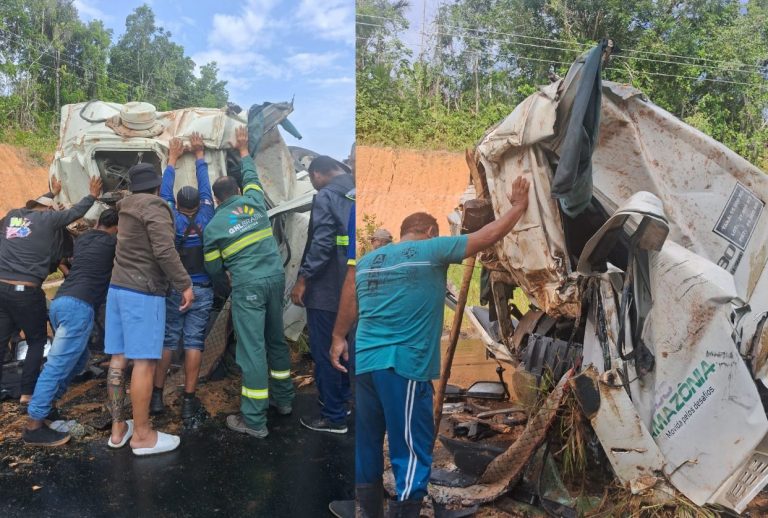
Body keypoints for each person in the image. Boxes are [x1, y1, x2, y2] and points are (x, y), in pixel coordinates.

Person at [349, 176, 530, 516]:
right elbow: (484, 238)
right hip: (401, 365)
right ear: (431, 231)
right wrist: (519, 207)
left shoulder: (368, 261)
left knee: (368, 441)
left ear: (402, 232)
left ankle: (369, 510)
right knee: (411, 449)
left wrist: (337, 341)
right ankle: (406, 510)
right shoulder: (431, 249)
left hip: (365, 362)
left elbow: (353, 305)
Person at [204, 126, 294, 439]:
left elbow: (213, 269)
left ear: (217, 200)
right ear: (238, 191)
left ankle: (254, 420)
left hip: (249, 288)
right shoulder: (255, 202)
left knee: (252, 351)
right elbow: (253, 176)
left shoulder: (214, 226)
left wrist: (228, 274)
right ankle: (284, 401)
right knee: (276, 341)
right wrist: (243, 150)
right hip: (275, 279)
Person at [105, 163, 193, 456]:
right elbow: (165, 251)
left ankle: (119, 430)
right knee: (144, 362)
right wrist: (185, 284)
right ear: (157, 187)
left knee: (119, 359)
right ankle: (142, 435)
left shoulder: (126, 208)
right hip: (143, 293)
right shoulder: (155, 206)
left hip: (117, 289)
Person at [22, 208, 119, 447]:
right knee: (57, 365)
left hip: (61, 303)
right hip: (78, 307)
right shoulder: (113, 243)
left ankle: (48, 407)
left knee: (79, 359)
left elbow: (67, 256)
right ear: (117, 228)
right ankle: (34, 425)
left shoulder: (84, 238)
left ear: (98, 222)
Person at [0, 177, 102, 403]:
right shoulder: (48, 219)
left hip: (1, 287)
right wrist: (92, 196)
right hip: (25, 291)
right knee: (37, 341)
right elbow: (73, 213)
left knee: (1, 338)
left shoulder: (11, 216)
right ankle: (27, 393)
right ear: (48, 209)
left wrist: (52, 193)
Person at [151, 133, 215, 420]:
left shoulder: (169, 217)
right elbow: (206, 187)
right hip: (202, 288)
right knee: (193, 342)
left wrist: (172, 160)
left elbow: (163, 192)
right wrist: (200, 156)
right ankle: (189, 399)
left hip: (176, 288)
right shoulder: (207, 216)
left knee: (168, 340)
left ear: (176, 204)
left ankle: (156, 396)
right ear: (200, 204)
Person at [290, 156, 355, 434]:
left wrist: (303, 280)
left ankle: (333, 416)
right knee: (345, 346)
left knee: (327, 350)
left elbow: (322, 243)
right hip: (350, 289)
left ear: (316, 175)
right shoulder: (354, 190)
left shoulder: (327, 196)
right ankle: (342, 401)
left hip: (326, 290)